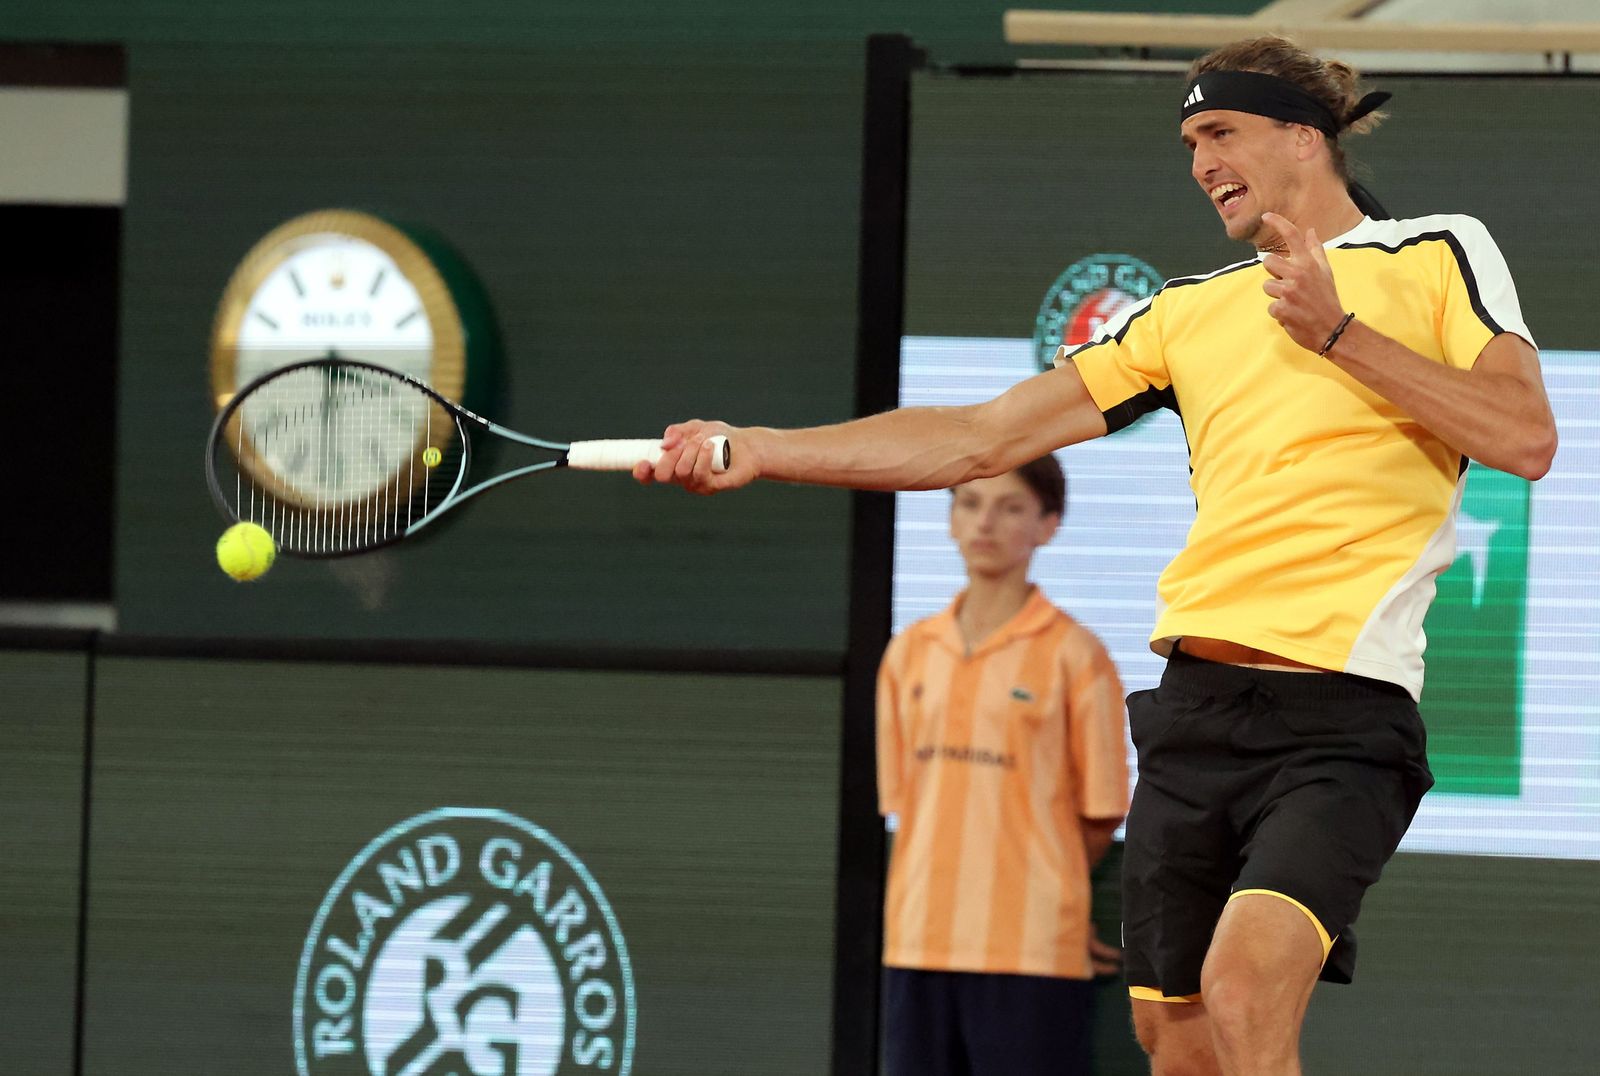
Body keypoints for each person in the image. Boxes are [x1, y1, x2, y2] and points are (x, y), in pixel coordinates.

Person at [635, 35, 1557, 1076]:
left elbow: (1522, 437)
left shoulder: (1438, 252)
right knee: (1178, 1040)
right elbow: (978, 436)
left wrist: (1337, 332)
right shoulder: (1187, 311)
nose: (1198, 160)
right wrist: (764, 450)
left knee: (1245, 984)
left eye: (1219, 132)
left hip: (1342, 720)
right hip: (1196, 709)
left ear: (1302, 138)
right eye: (1188, 141)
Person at [876, 455, 1128, 1076]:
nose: (985, 523)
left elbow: (1100, 811)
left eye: (1011, 507)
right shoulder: (907, 652)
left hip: (1033, 952)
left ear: (1048, 524)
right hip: (918, 942)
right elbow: (906, 801)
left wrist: (1041, 887)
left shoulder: (1078, 655)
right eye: (968, 503)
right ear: (951, 520)